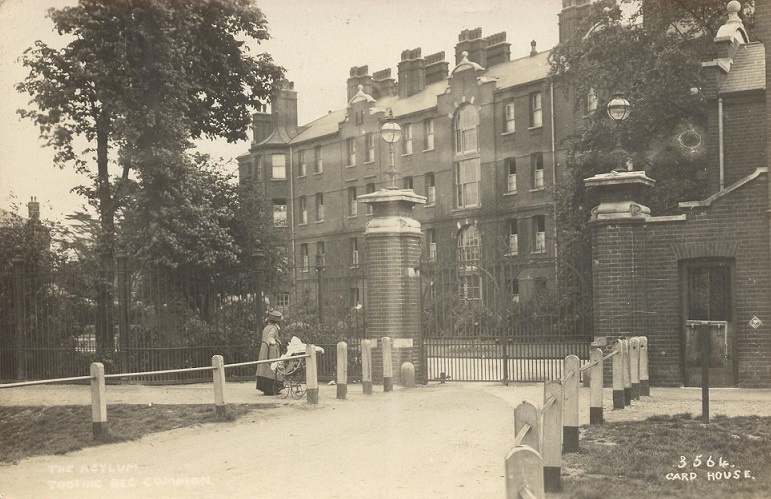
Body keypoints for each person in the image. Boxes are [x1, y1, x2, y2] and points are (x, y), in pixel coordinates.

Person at [256, 309, 283, 395]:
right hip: (271, 349)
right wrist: (274, 341)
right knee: (272, 366)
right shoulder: (274, 328)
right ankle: (271, 389)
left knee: (265, 366)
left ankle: (266, 388)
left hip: (265, 349)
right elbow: (270, 337)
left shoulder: (266, 327)